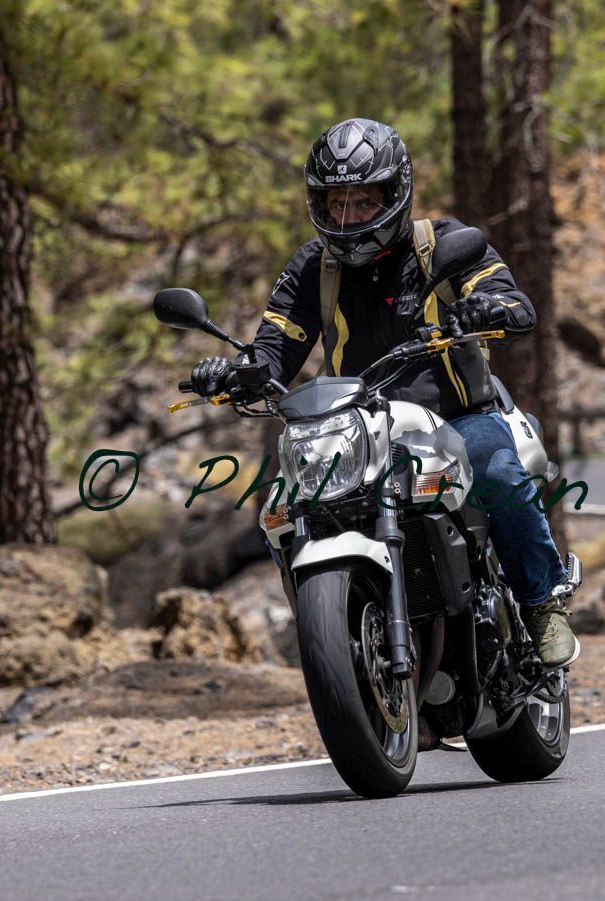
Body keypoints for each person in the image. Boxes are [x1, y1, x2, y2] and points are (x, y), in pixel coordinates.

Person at [189, 117, 577, 669]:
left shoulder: (443, 244)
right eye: (335, 203)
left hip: (456, 413)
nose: (348, 218)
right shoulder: (311, 267)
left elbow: (512, 301)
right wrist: (235, 371)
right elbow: (277, 345)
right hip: (357, 426)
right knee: (286, 507)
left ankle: (542, 601)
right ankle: (341, 638)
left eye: (364, 203)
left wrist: (489, 308)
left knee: (494, 471)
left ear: (396, 195)